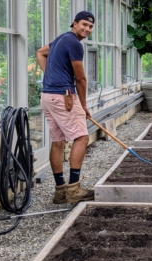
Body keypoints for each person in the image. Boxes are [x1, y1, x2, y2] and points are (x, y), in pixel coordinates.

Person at [36, 11, 95, 204]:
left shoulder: (62, 39)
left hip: (47, 96)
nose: (87, 29)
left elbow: (40, 52)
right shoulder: (74, 44)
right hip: (64, 97)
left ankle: (60, 191)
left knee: (58, 140)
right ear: (75, 24)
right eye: (84, 25)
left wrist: (52, 75)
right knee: (82, 137)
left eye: (90, 26)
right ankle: (74, 189)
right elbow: (80, 79)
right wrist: (84, 105)